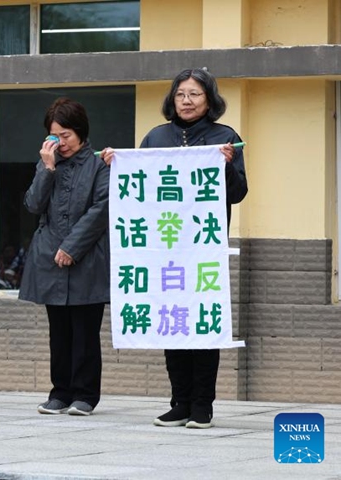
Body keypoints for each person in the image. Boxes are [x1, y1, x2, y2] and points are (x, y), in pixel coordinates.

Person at [102, 68, 248, 429]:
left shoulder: (224, 137)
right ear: (172, 99)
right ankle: (179, 401)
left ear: (210, 100)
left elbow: (238, 193)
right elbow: (138, 185)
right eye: (181, 94)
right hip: (162, 247)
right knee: (172, 322)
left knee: (201, 323)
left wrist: (226, 167)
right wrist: (115, 165)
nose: (187, 100)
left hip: (201, 248)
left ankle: (202, 405)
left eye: (195, 94)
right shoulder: (156, 137)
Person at [18, 97, 110, 417]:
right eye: (55, 136)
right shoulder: (49, 163)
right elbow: (32, 204)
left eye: (66, 135)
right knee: (59, 332)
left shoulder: (99, 164)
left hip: (86, 258)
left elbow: (101, 210)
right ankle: (60, 391)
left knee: (85, 330)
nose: (61, 142)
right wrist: (47, 168)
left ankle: (85, 394)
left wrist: (72, 247)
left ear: (81, 132)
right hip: (49, 259)